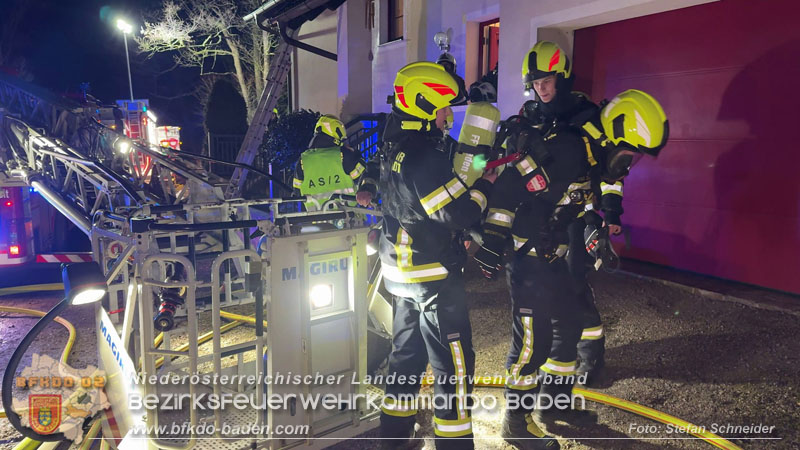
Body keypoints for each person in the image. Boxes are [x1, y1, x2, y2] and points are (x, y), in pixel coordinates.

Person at [377, 61, 496, 450]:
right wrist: (484, 189)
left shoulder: (394, 145)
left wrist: (470, 166)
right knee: (454, 367)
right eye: (444, 107)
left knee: (406, 359)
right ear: (426, 105)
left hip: (400, 273)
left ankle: (393, 441)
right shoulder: (424, 157)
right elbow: (457, 213)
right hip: (433, 276)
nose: (449, 115)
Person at [292, 114, 366, 211]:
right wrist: (356, 155)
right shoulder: (344, 155)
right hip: (349, 219)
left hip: (315, 220)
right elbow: (365, 178)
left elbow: (297, 192)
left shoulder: (303, 160)